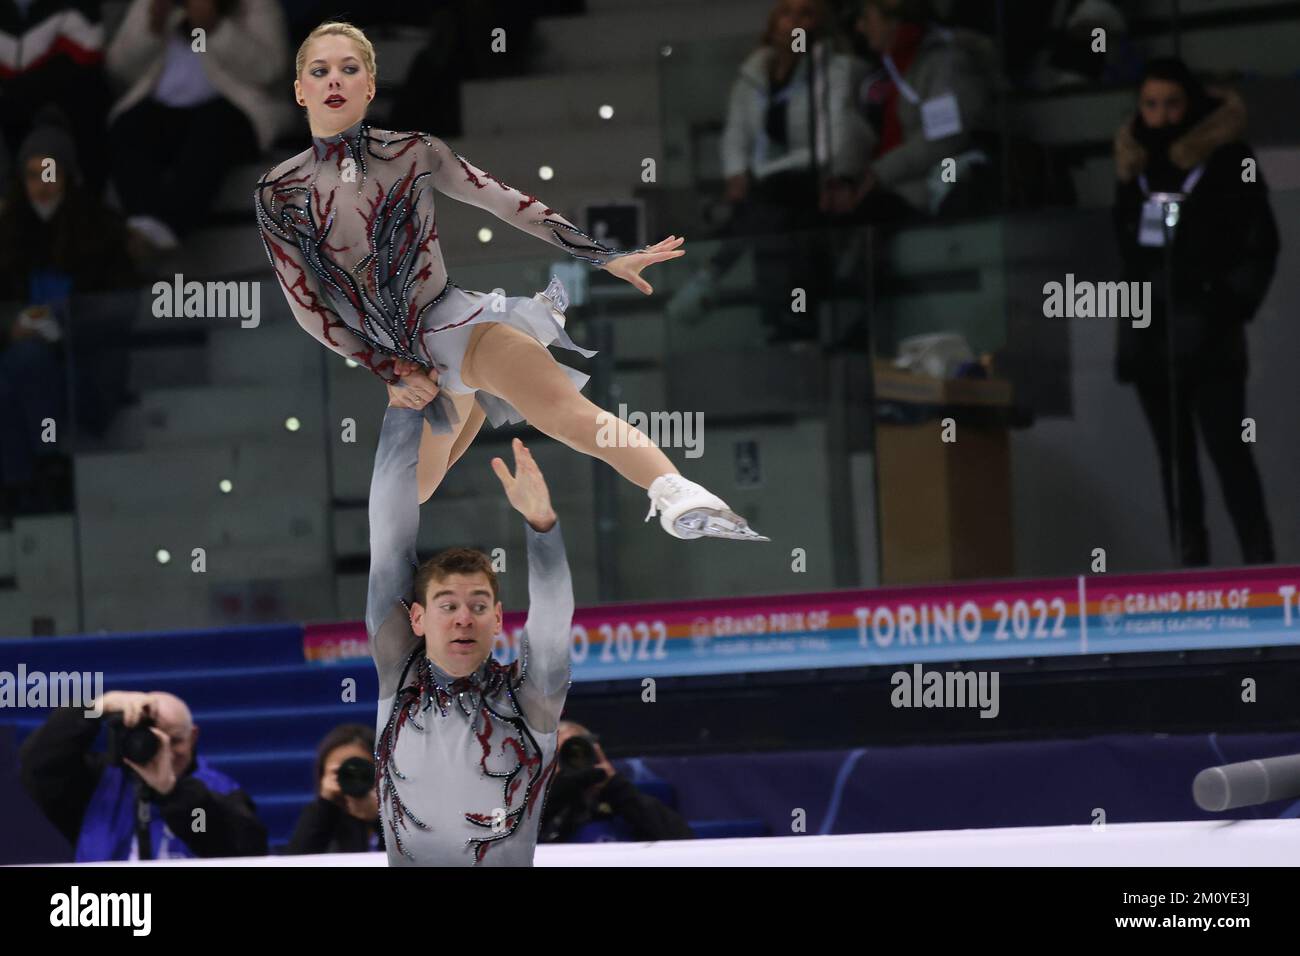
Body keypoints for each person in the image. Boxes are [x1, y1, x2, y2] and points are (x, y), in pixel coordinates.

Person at [255, 20, 767, 542]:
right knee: (400, 505)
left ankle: (675, 491)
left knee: (568, 416)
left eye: (349, 69)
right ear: (300, 89)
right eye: (320, 71)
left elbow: (504, 200)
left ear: (370, 84)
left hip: (461, 329)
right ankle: (469, 401)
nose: (334, 80)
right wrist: (390, 368)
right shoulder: (279, 191)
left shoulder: (413, 152)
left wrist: (601, 256)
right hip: (409, 363)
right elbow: (307, 306)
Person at [365, 386, 571, 864]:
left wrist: (543, 528)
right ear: (416, 618)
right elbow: (388, 540)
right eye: (447, 605)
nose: (463, 617)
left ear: (498, 619)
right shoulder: (401, 678)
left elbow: (553, 621)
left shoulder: (529, 700)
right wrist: (400, 412)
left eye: (479, 605)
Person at [1112, 58, 1277, 567]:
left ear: (1193, 105)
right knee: (1175, 462)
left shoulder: (1228, 162)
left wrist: (1222, 306)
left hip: (1209, 336)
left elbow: (1262, 244)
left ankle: (1261, 565)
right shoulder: (1134, 169)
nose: (1160, 117)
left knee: (1229, 451)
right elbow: (1128, 251)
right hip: (1150, 336)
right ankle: (1190, 573)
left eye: (1172, 104)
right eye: (1150, 105)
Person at [107, 0, 291, 254]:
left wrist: (215, 29)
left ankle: (164, 228)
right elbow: (119, 66)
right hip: (163, 111)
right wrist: (152, 28)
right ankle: (141, 223)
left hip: (234, 111)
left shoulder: (254, 5)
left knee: (213, 126)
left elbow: (270, 69)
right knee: (128, 125)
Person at [18, 690, 268, 860]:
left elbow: (218, 839)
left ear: (193, 737)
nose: (165, 751)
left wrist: (172, 792)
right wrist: (97, 708)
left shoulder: (215, 792)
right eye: (152, 739)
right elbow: (38, 763)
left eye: (175, 740)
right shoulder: (97, 786)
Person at [540, 720, 695, 844]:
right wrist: (558, 793)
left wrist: (615, 785)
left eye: (580, 754)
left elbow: (683, 841)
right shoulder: (543, 813)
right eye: (561, 756)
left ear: (595, 754)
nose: (574, 763)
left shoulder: (625, 801)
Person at [285, 723, 383, 854]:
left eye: (360, 768)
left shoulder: (395, 817)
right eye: (340, 771)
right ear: (323, 775)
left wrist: (382, 817)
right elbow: (296, 859)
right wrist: (325, 806)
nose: (351, 776)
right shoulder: (320, 818)